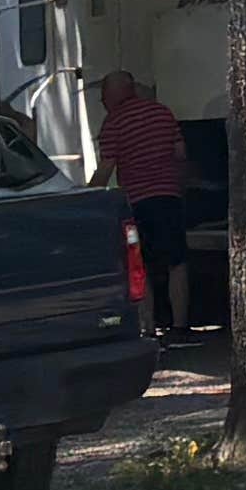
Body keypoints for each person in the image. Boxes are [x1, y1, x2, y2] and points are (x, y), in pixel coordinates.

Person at [95, 70, 197, 336]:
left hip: (137, 202)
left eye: (103, 94)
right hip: (168, 196)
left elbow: (106, 168)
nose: (102, 101)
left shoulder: (113, 123)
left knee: (140, 265)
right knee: (177, 261)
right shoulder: (162, 112)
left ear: (114, 94)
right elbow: (180, 154)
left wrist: (89, 196)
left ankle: (148, 326)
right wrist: (180, 187)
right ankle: (180, 326)